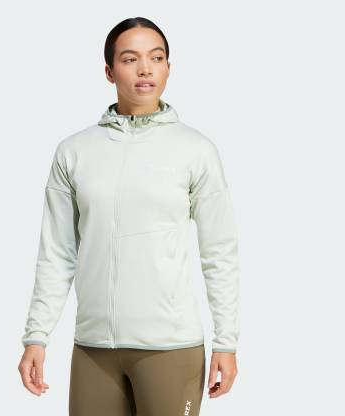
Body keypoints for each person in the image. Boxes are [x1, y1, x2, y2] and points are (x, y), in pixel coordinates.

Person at [18, 17, 240, 416]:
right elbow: (57, 252)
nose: (145, 69)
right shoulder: (74, 151)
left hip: (171, 348)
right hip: (93, 349)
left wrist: (227, 342)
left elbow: (219, 252)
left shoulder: (196, 150)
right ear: (109, 71)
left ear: (169, 68)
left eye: (156, 58)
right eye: (130, 59)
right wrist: (37, 336)